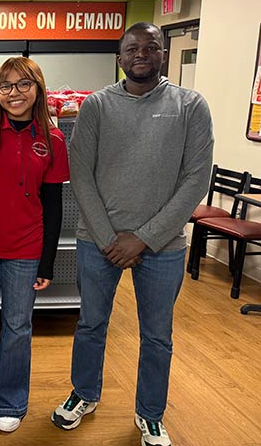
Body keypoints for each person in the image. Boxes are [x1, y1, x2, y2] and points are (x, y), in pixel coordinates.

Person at [51, 22, 214, 446]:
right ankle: (84, 394)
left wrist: (143, 238)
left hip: (163, 247)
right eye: (132, 48)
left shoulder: (190, 106)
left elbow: (197, 179)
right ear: (120, 58)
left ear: (163, 53)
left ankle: (151, 414)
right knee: (91, 324)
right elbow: (80, 174)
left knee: (157, 335)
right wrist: (110, 238)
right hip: (97, 241)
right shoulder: (97, 106)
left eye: (151, 47)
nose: (141, 53)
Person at [0, 57, 69, 433]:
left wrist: (48, 263)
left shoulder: (52, 139)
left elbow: (53, 204)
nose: (14, 93)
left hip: (27, 248)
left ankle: (11, 402)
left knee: (19, 327)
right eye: (6, 86)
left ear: (38, 88)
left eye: (23, 85)